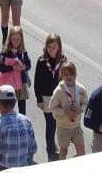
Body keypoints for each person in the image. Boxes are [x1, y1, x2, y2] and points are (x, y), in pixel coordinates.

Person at [0, 85, 37, 171]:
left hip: (4, 169)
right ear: (15, 102)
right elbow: (33, 149)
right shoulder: (26, 120)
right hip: (23, 168)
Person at [33, 33, 66, 161]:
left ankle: (53, 146)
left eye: (54, 47)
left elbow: (67, 80)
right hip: (46, 98)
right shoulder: (42, 61)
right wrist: (39, 99)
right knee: (50, 124)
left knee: (57, 123)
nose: (52, 49)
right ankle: (51, 149)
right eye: (49, 47)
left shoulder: (63, 61)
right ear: (46, 47)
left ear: (59, 47)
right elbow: (37, 81)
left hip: (59, 98)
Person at [49, 61, 87, 160]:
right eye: (66, 74)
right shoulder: (59, 91)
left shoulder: (81, 89)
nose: (69, 76)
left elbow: (86, 104)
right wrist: (64, 112)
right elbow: (52, 106)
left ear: (75, 74)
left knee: (81, 150)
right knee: (64, 150)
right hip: (63, 127)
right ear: (61, 75)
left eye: (71, 74)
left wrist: (80, 109)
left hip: (76, 126)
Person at [0, 26, 31, 115]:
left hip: (21, 82)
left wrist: (24, 67)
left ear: (21, 39)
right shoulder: (5, 52)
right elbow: (0, 67)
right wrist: (12, 68)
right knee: (7, 107)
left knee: (22, 107)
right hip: (8, 83)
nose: (16, 42)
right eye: (14, 39)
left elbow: (28, 64)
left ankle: (22, 123)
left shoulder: (23, 52)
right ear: (10, 39)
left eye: (18, 39)